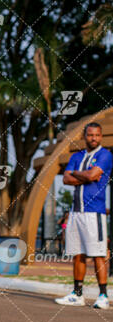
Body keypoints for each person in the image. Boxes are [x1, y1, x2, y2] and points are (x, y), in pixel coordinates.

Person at [55, 122, 112, 309]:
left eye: (97, 135)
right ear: (84, 136)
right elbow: (65, 178)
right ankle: (77, 294)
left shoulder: (105, 155)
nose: (93, 138)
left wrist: (78, 174)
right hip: (76, 212)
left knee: (98, 254)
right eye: (90, 135)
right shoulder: (77, 156)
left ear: (100, 136)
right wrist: (84, 175)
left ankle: (103, 295)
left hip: (94, 212)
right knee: (77, 253)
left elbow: (92, 176)